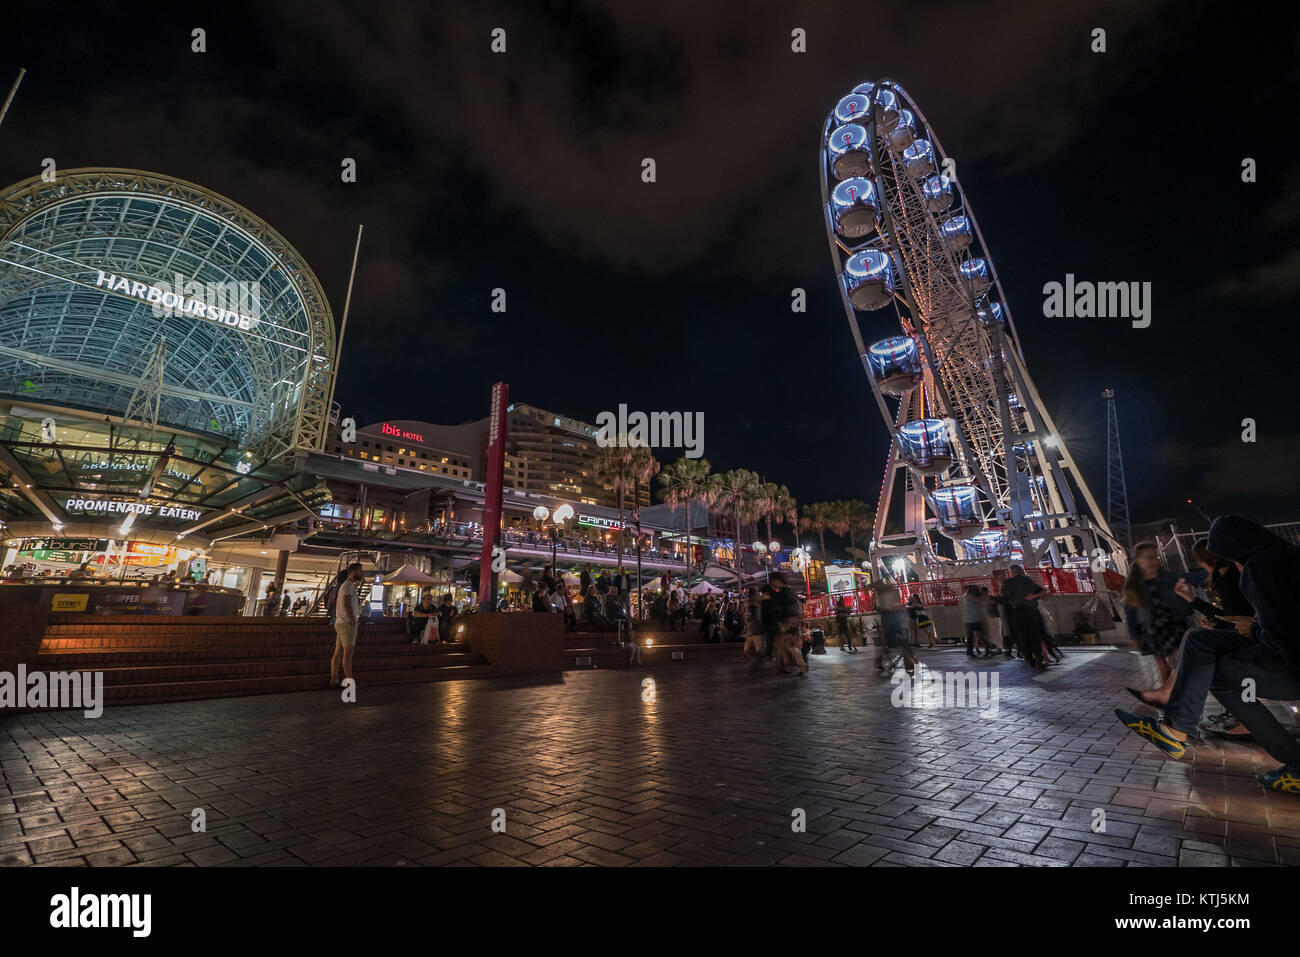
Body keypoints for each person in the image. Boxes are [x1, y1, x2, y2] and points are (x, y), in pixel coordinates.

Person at [1115, 515, 1300, 794]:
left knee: (1218, 676)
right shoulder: (1285, 556)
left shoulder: (1259, 568)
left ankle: (1297, 765)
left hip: (1291, 665)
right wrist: (1254, 627)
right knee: (1200, 641)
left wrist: (1253, 630)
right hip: (1283, 650)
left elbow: (1284, 636)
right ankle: (1175, 728)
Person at [1122, 542, 1203, 701]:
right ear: (1138, 561)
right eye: (1149, 558)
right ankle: (1169, 697)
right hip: (1151, 630)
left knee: (1177, 663)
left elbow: (1193, 577)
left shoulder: (1170, 578)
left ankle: (1174, 695)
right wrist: (1134, 636)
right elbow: (1130, 613)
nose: (1154, 561)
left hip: (1174, 626)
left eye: (1156, 556)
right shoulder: (1134, 586)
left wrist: (1211, 570)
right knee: (1163, 666)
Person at [1001, 564, 1051, 668]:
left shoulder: (1009, 582)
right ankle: (1038, 656)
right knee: (1035, 634)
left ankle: (1029, 657)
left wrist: (1001, 584)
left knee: (1023, 635)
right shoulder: (1028, 580)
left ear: (1012, 572)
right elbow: (1043, 592)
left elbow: (1004, 597)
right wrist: (1034, 596)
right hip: (1033, 611)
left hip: (1019, 611)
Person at [762, 573, 805, 676]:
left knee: (788, 646)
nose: (772, 583)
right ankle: (781, 666)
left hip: (788, 623)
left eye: (773, 581)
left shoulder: (784, 592)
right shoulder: (786, 591)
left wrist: (782, 622)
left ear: (778, 581)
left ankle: (801, 665)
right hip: (790, 622)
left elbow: (782, 608)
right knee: (781, 645)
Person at [330, 562, 363, 688]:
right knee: (348, 654)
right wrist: (353, 619)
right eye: (360, 571)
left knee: (338, 653)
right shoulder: (348, 585)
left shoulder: (346, 585)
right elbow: (347, 603)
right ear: (353, 572)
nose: (361, 574)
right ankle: (349, 682)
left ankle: (334, 679)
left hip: (340, 622)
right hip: (347, 623)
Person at [875, 581, 917, 676]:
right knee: (892, 642)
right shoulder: (882, 595)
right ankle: (909, 664)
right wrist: (893, 608)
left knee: (896, 641)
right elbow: (884, 607)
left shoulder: (888, 594)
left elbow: (893, 605)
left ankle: (908, 664)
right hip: (890, 618)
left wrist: (895, 608)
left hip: (892, 618)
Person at [961, 586, 993, 657]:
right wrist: (985, 597)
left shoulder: (966, 597)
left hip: (971, 619)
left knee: (972, 636)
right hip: (974, 619)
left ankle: (974, 651)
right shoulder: (969, 597)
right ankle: (988, 648)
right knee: (980, 635)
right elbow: (979, 601)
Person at [742, 587, 765, 661]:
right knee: (757, 639)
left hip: (751, 621)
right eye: (756, 591)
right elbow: (757, 612)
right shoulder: (754, 600)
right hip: (755, 621)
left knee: (750, 638)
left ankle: (746, 652)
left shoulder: (748, 599)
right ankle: (761, 654)